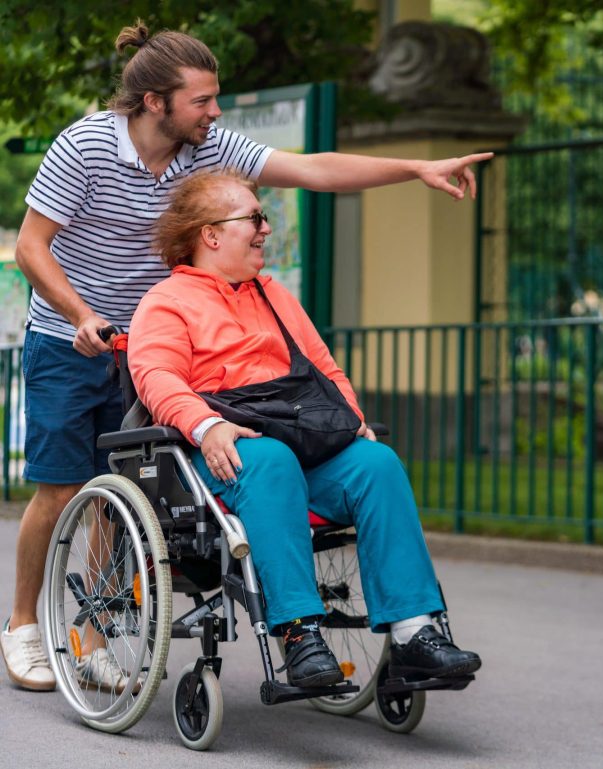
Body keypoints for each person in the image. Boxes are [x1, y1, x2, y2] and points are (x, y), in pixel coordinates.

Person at [0, 21, 491, 692]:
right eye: (202, 100)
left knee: (118, 493)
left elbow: (314, 168)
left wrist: (416, 169)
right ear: (154, 103)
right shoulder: (84, 147)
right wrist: (83, 315)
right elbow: (32, 247)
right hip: (71, 331)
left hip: (148, 334)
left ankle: (90, 637)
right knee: (60, 488)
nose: (216, 111)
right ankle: (24, 622)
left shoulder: (209, 149)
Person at [130, 170, 481, 686]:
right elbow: (156, 377)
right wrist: (207, 426)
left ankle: (414, 635)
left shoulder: (273, 295)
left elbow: (324, 369)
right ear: (210, 235)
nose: (265, 229)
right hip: (227, 453)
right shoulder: (167, 301)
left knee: (377, 463)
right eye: (254, 218)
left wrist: (352, 419)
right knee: (270, 461)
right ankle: (298, 632)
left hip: (300, 441)